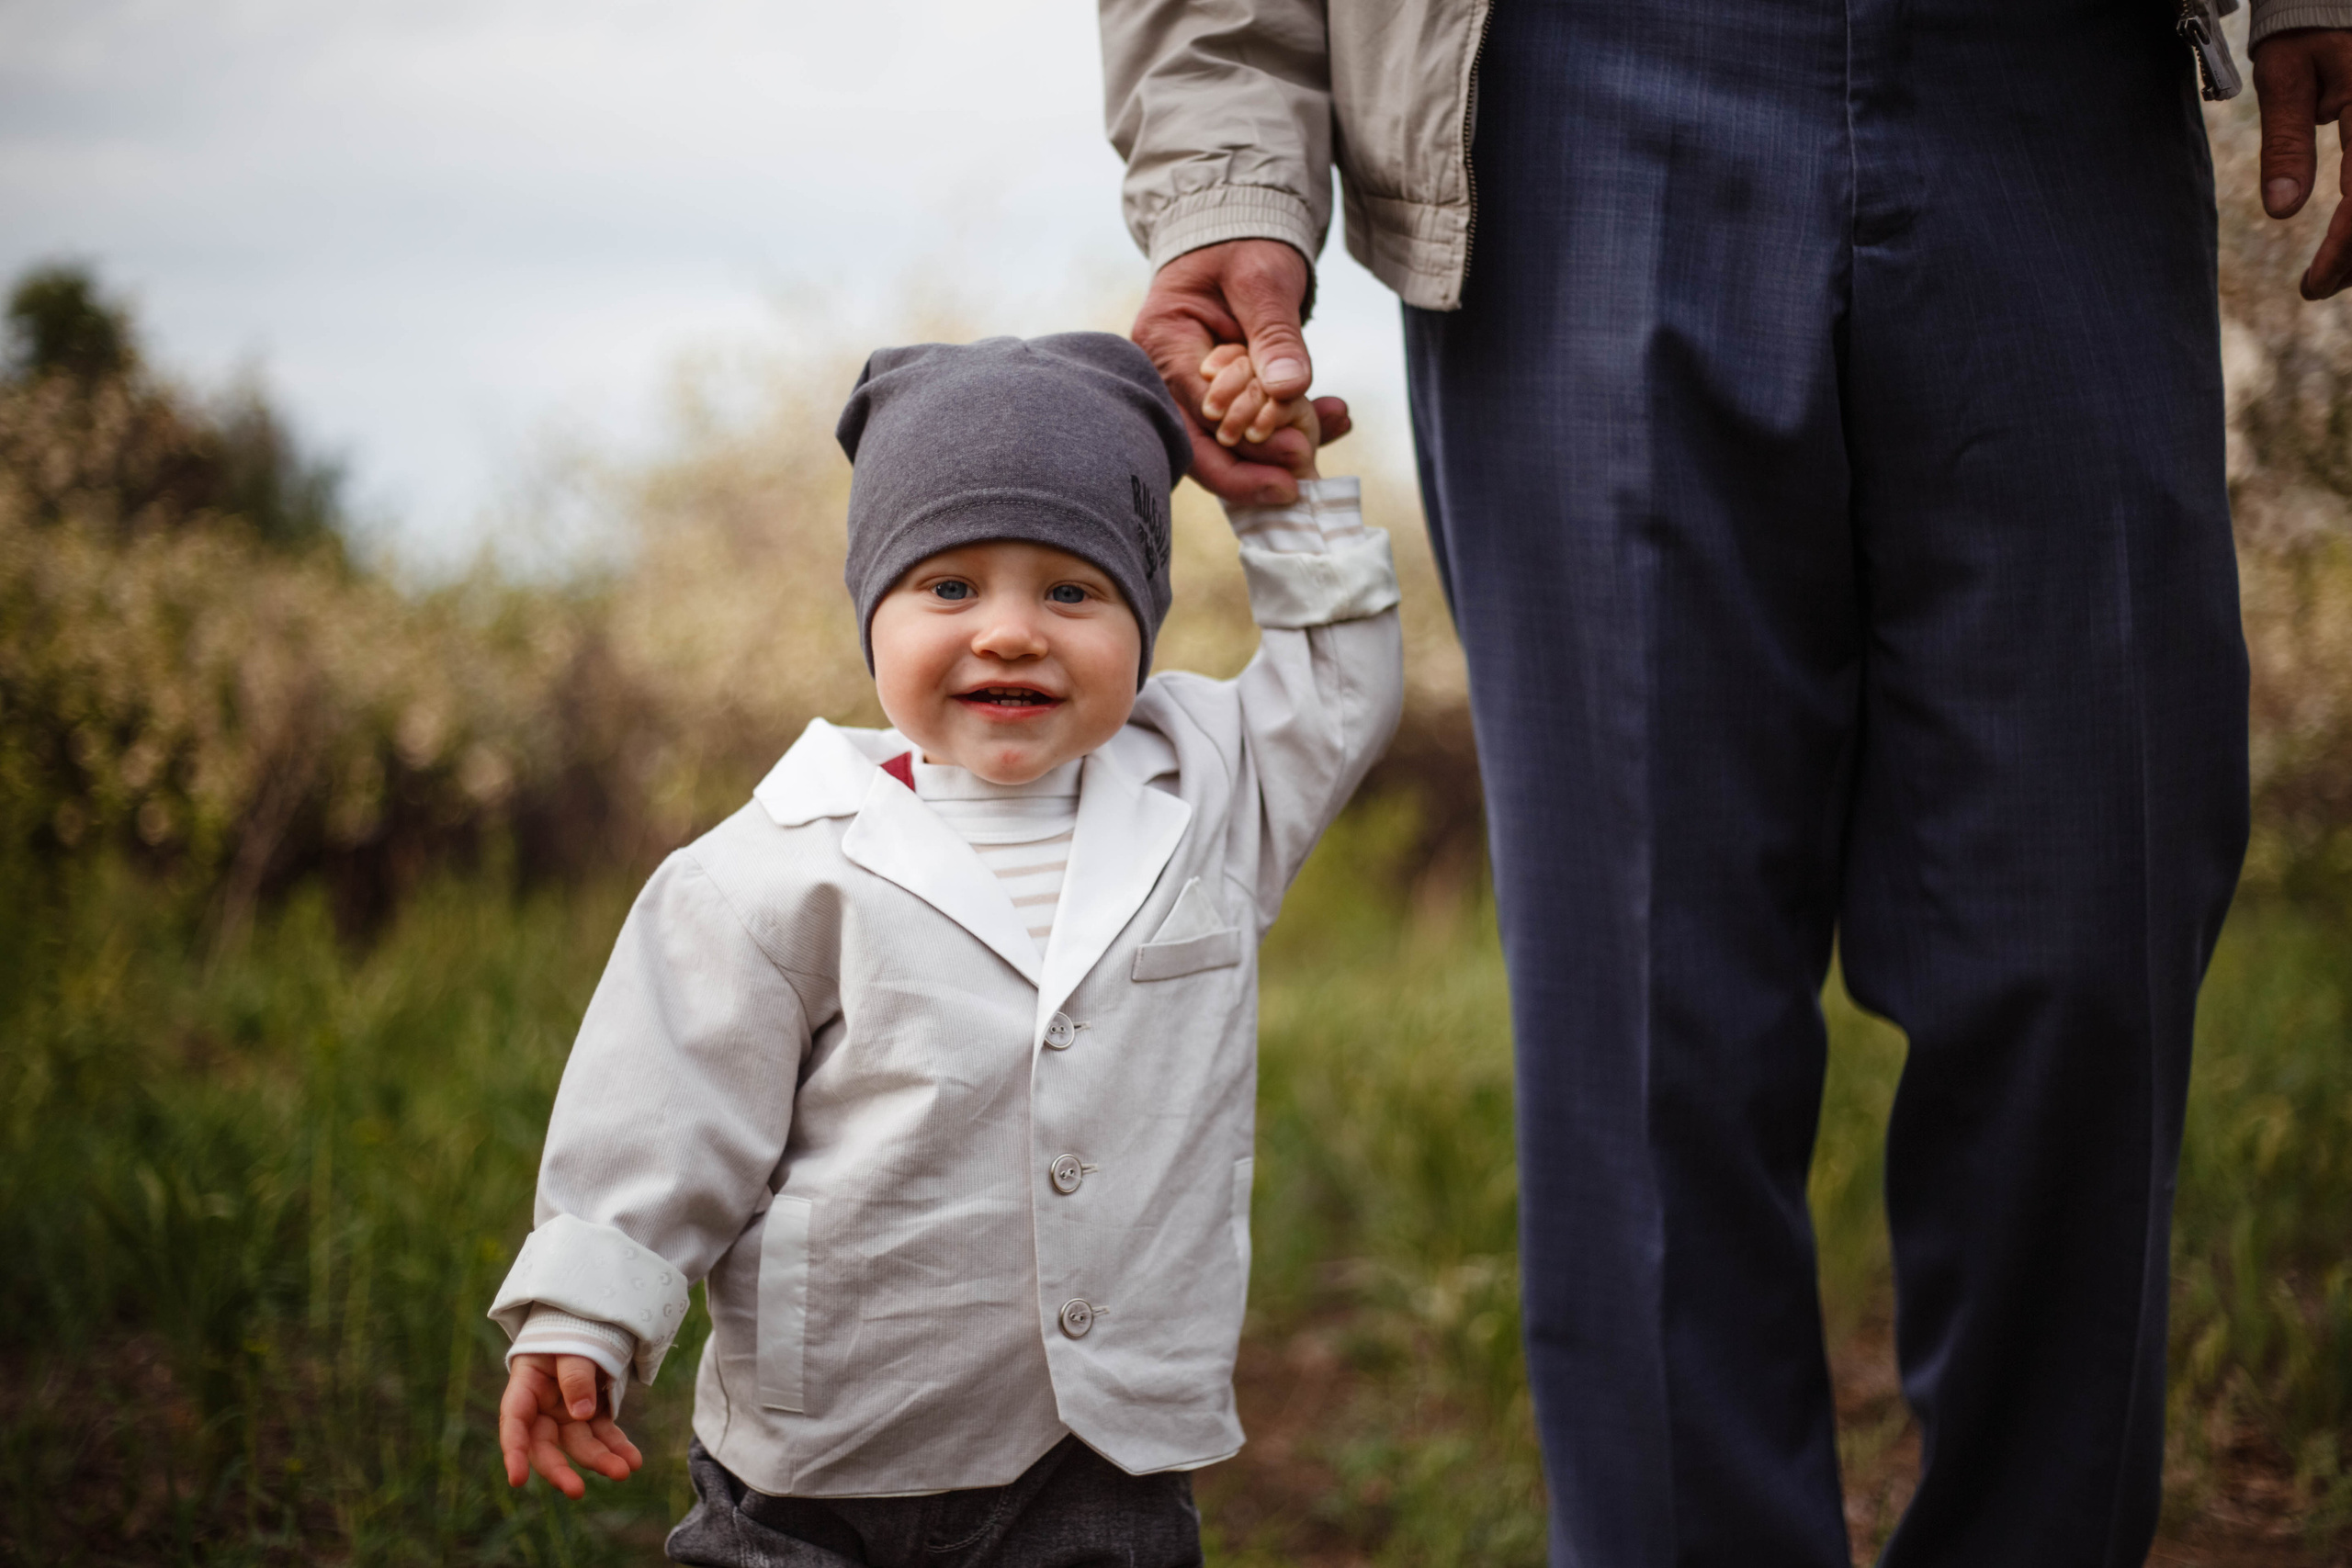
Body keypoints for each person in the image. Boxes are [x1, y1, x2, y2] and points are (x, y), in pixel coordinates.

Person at [1097, 1, 2352, 1563]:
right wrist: (1224, 173)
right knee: (1646, 1012)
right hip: (1579, 100)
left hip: (2058, 91)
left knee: (2089, 945)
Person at [482, 331, 1402, 1568]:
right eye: (951, 588)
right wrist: (584, 1311)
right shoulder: (774, 865)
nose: (1011, 633)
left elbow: (1341, 694)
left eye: (1072, 592)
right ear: (874, 614)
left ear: (1143, 620)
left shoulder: (1209, 797)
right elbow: (665, 1102)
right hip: (829, 1454)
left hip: (1097, 1453)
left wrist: (1284, 500)